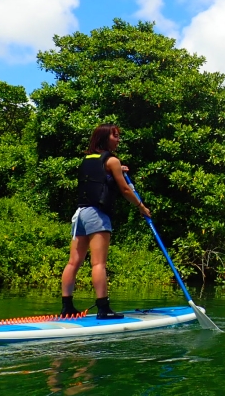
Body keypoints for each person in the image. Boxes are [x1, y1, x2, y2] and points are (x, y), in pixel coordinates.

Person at [60, 123, 151, 319]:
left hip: (80, 214)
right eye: (115, 136)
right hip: (97, 214)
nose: (118, 140)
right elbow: (126, 190)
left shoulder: (86, 159)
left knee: (73, 262)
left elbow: (100, 176)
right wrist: (141, 207)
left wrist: (118, 169)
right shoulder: (112, 161)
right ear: (104, 138)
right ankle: (103, 309)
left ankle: (67, 307)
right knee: (98, 263)